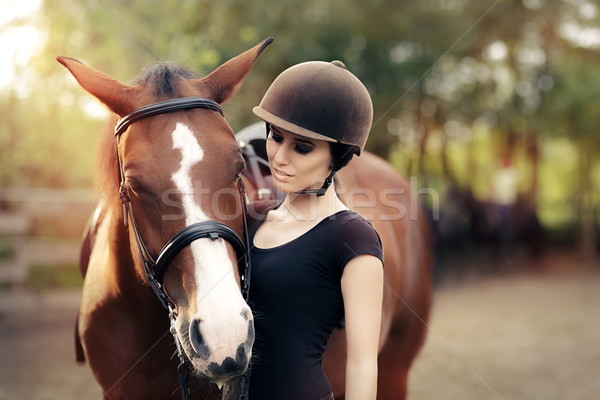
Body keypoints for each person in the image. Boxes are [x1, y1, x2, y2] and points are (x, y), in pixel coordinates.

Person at [246, 60, 384, 400]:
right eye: (275, 137)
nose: (279, 157)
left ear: (338, 158)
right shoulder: (251, 219)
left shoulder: (353, 238)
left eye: (302, 147)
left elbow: (363, 363)